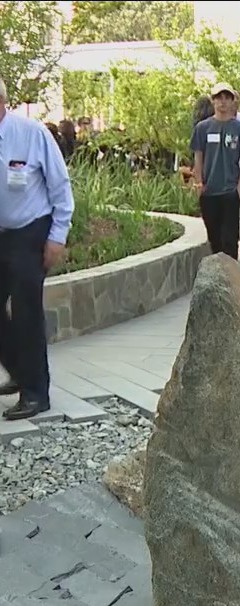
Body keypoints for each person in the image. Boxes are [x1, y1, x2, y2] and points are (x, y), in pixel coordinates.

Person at [0, 78, 75, 421]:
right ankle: (18, 370)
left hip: (31, 230)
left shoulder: (31, 134)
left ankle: (35, 393)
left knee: (27, 310)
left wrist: (57, 235)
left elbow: (60, 186)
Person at [190, 83, 240, 259]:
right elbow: (198, 156)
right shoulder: (203, 128)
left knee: (230, 238)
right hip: (209, 190)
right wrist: (199, 183)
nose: (222, 102)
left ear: (233, 101)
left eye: (226, 98)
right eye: (218, 98)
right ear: (213, 101)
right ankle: (218, 276)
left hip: (230, 190)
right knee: (214, 238)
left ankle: (231, 279)